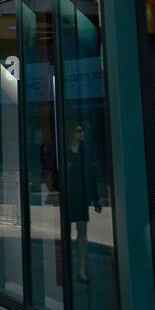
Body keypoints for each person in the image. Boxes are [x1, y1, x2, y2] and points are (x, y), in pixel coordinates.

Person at [65, 122, 101, 284]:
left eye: (82, 131)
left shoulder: (85, 152)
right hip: (68, 195)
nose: (82, 133)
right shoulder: (64, 152)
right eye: (79, 131)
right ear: (71, 133)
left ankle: (81, 269)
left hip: (81, 196)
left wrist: (95, 198)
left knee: (82, 231)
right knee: (66, 231)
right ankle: (68, 267)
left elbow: (91, 174)